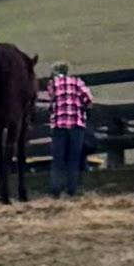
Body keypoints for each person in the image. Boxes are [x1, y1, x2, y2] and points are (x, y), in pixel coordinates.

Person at [42, 62, 92, 198]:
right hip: (76, 124)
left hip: (59, 125)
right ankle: (71, 189)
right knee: (73, 158)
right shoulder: (77, 82)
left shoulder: (52, 84)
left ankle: (56, 189)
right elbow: (88, 99)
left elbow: (51, 102)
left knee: (58, 159)